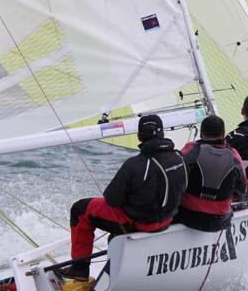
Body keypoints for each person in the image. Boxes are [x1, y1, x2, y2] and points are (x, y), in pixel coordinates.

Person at [57, 114, 187, 280]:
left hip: (141, 224)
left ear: (139, 136)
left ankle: (80, 268)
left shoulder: (134, 165)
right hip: (168, 221)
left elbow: (112, 200)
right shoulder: (179, 158)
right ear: (163, 134)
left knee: (80, 209)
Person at [174, 115, 247, 232]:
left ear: (201, 134)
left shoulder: (191, 150)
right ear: (224, 134)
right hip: (219, 221)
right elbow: (242, 190)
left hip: (187, 216)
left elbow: (175, 178)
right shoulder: (234, 156)